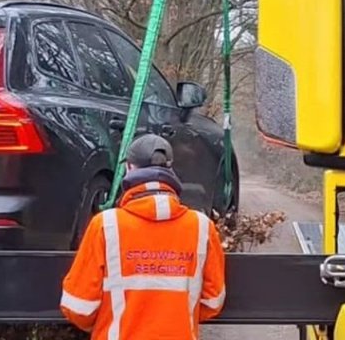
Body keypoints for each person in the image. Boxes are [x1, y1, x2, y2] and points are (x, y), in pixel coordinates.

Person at [60, 133, 227, 339]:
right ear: (170, 169)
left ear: (129, 168)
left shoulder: (106, 226)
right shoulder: (201, 227)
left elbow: (79, 308)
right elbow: (213, 302)